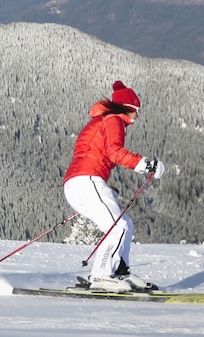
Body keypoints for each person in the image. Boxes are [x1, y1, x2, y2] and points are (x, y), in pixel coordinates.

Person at [63, 80, 166, 292]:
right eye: (137, 111)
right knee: (117, 227)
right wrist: (147, 164)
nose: (137, 117)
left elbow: (94, 154)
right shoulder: (113, 120)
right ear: (129, 108)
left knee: (125, 224)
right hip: (87, 181)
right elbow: (115, 152)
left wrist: (103, 189)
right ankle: (101, 276)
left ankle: (119, 271)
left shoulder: (101, 121)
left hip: (80, 183)